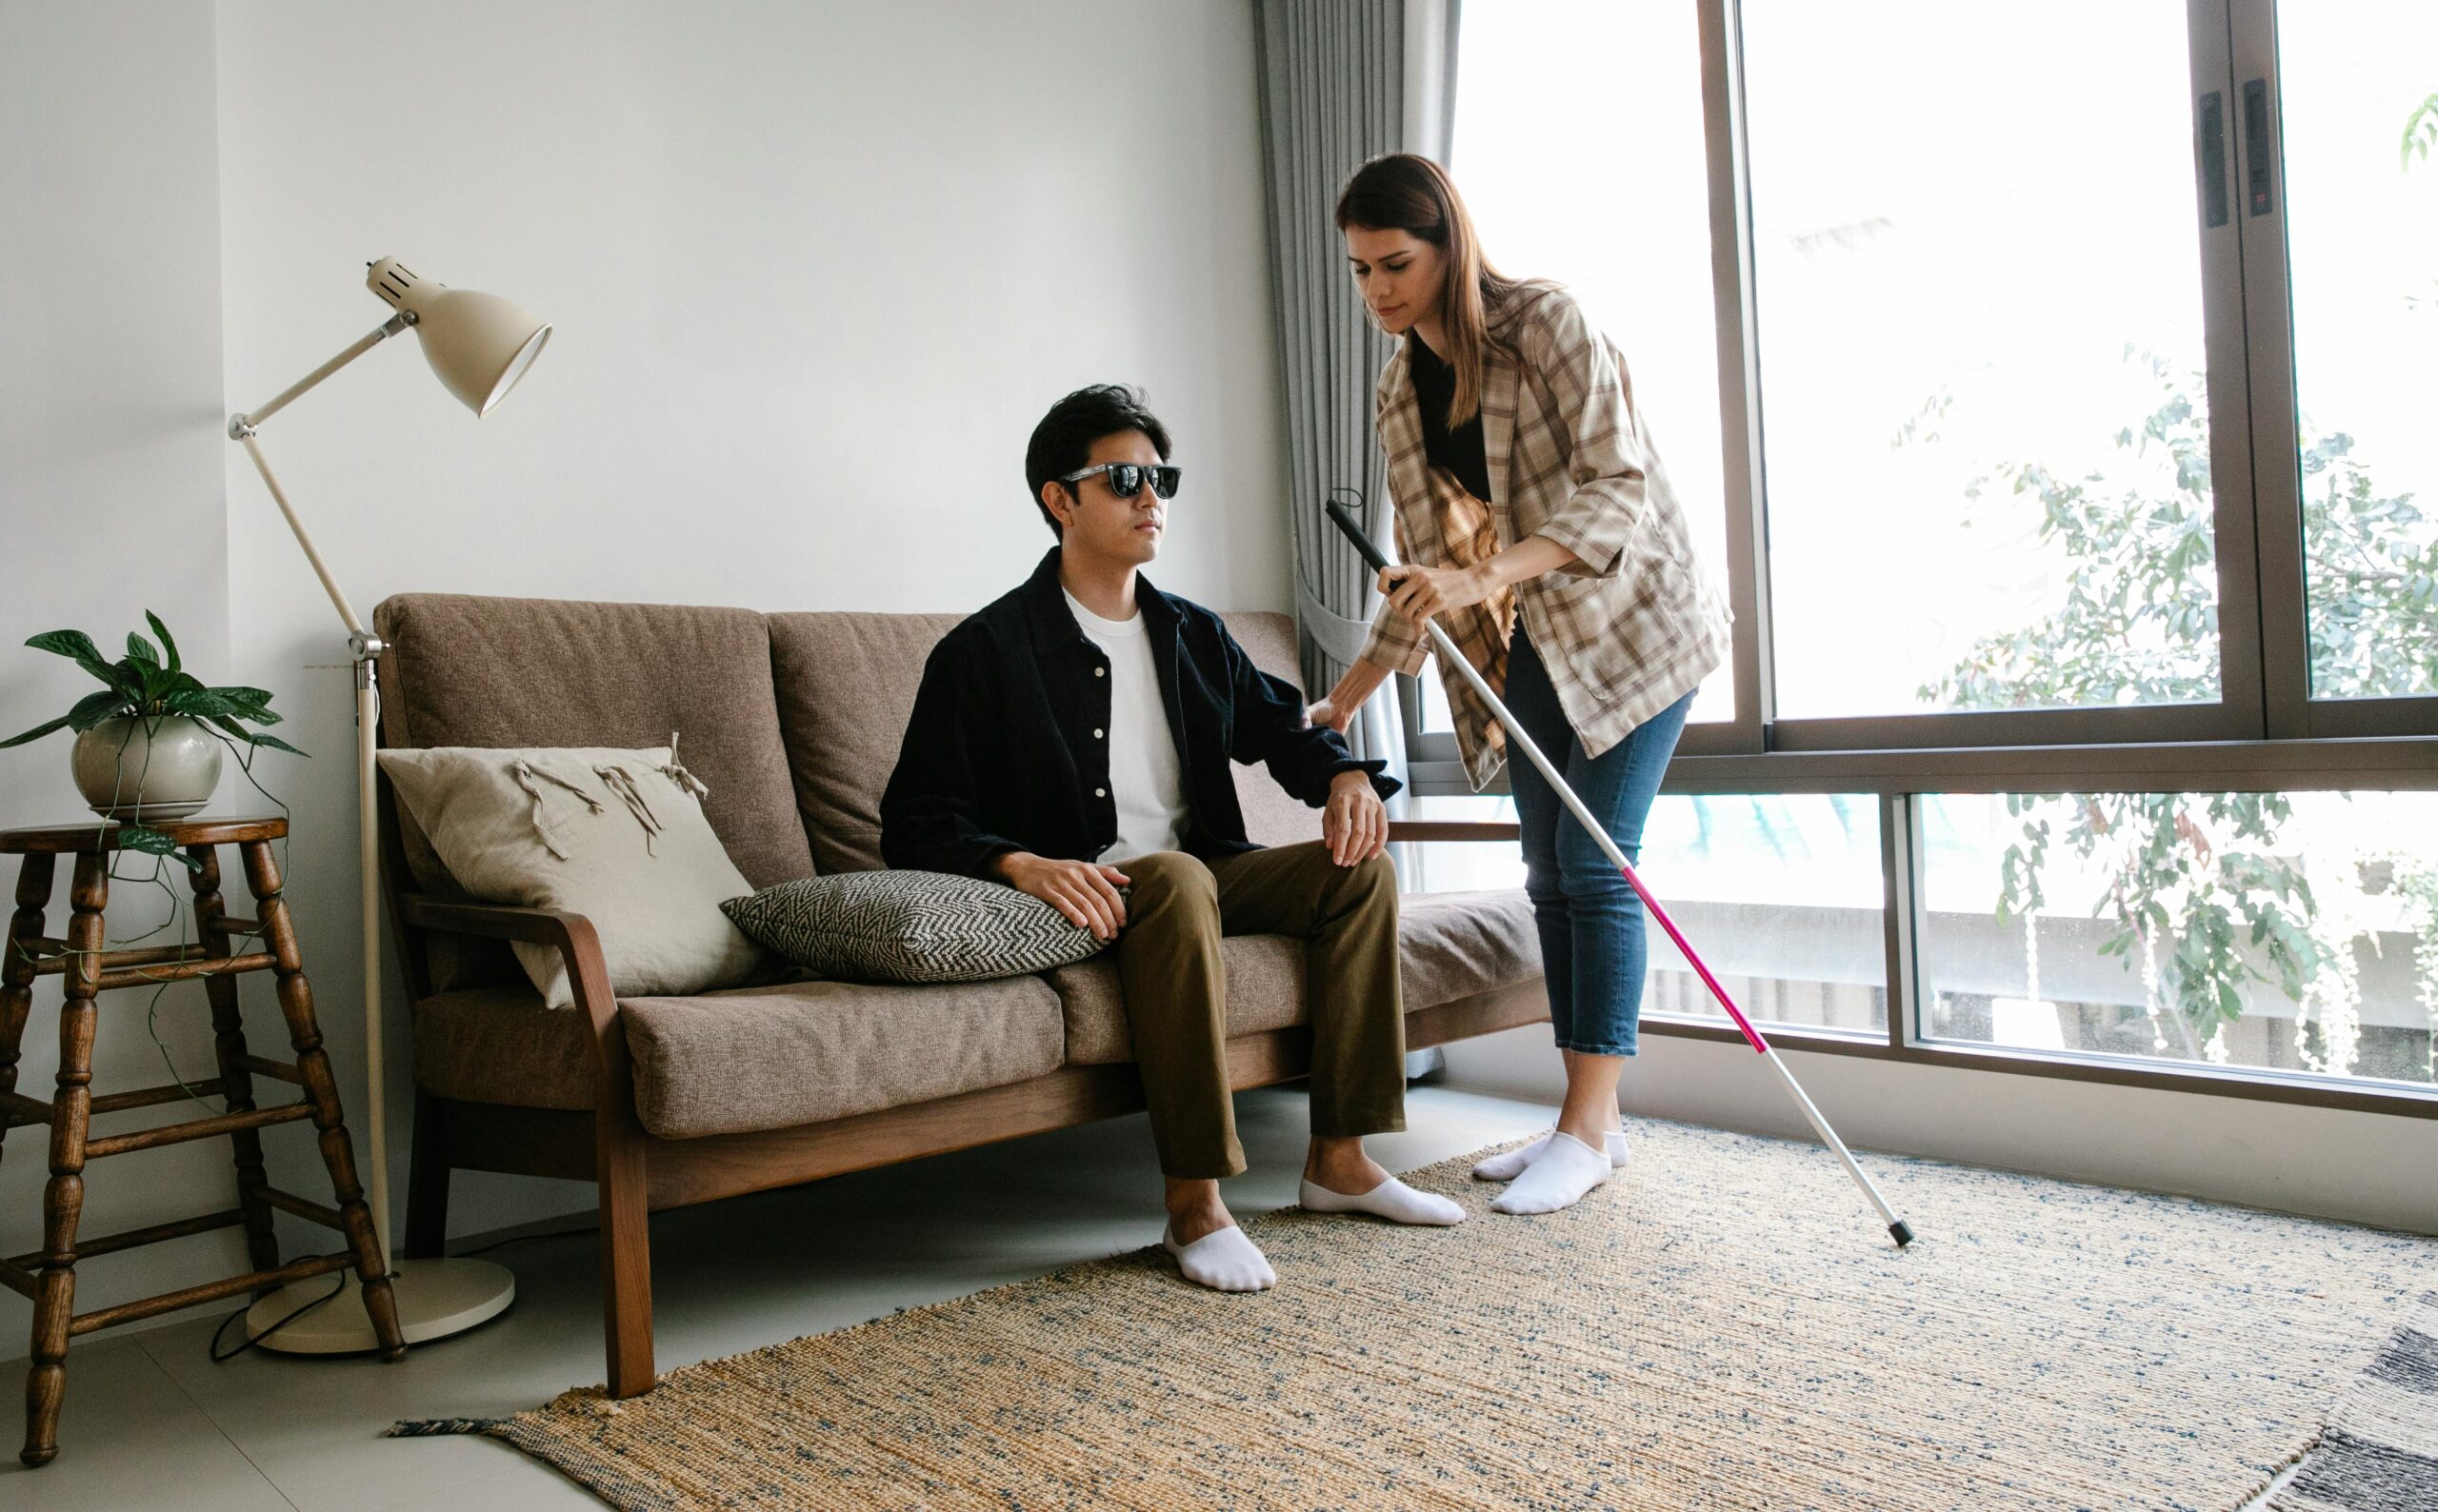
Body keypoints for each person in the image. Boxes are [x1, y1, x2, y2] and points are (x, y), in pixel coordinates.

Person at [881, 383, 1465, 1293]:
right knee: (1180, 877)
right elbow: (915, 818)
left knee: (1356, 872)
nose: (1151, 497)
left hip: (1201, 875)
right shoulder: (985, 652)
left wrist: (1345, 777)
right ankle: (1195, 1201)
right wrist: (1019, 864)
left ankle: (1340, 1162)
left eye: (1162, 479)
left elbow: (1282, 729)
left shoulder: (1192, 632)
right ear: (1060, 499)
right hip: (1087, 893)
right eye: (1124, 479)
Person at [1308, 154, 1732, 1217]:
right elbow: (1421, 564)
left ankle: (1584, 1131)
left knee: (1595, 861)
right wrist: (1352, 689)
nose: (1376, 291)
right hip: (1538, 629)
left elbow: (1618, 487)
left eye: (1395, 264)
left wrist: (1487, 573)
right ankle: (1590, 1124)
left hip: (1638, 619)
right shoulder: (1400, 389)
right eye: (1359, 270)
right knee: (1547, 871)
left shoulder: (1546, 323)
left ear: (1448, 245)